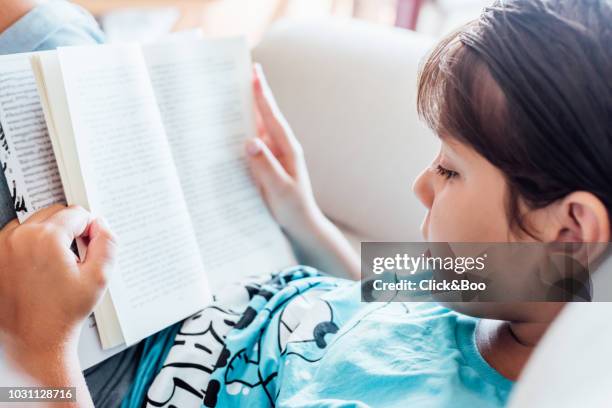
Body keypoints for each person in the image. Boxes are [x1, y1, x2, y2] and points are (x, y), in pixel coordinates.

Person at [2, 1, 611, 408]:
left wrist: (42, 353)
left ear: (570, 229)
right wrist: (301, 211)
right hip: (222, 278)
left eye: (450, 169)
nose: (421, 185)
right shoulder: (523, 282)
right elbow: (378, 302)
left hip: (123, 374)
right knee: (51, 28)